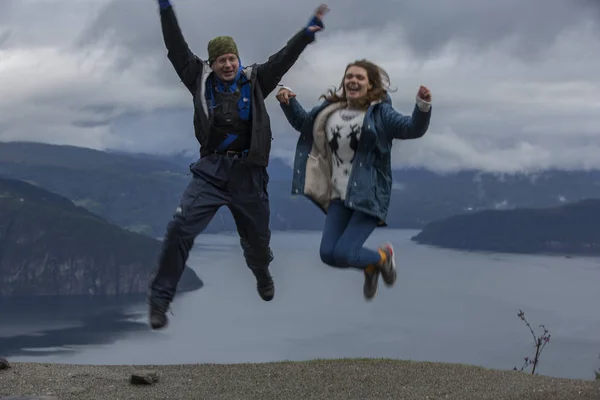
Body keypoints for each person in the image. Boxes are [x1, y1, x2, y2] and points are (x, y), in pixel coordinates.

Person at [147, 0, 331, 330]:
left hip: (249, 175)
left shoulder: (257, 79)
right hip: (211, 172)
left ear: (238, 58)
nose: (228, 64)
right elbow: (176, 47)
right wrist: (165, 8)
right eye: (221, 60)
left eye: (231, 58)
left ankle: (261, 272)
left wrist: (306, 34)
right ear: (212, 63)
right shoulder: (197, 78)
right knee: (179, 228)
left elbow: (283, 59)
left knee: (258, 243)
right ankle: (159, 300)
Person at [275, 59, 432, 300]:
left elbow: (411, 129)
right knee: (328, 254)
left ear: (370, 85)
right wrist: (288, 101)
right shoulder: (330, 110)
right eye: (349, 77)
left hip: (368, 196)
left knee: (346, 254)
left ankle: (383, 257)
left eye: (360, 78)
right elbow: (303, 124)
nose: (353, 81)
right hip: (339, 196)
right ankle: (371, 267)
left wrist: (422, 106)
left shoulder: (380, 113)